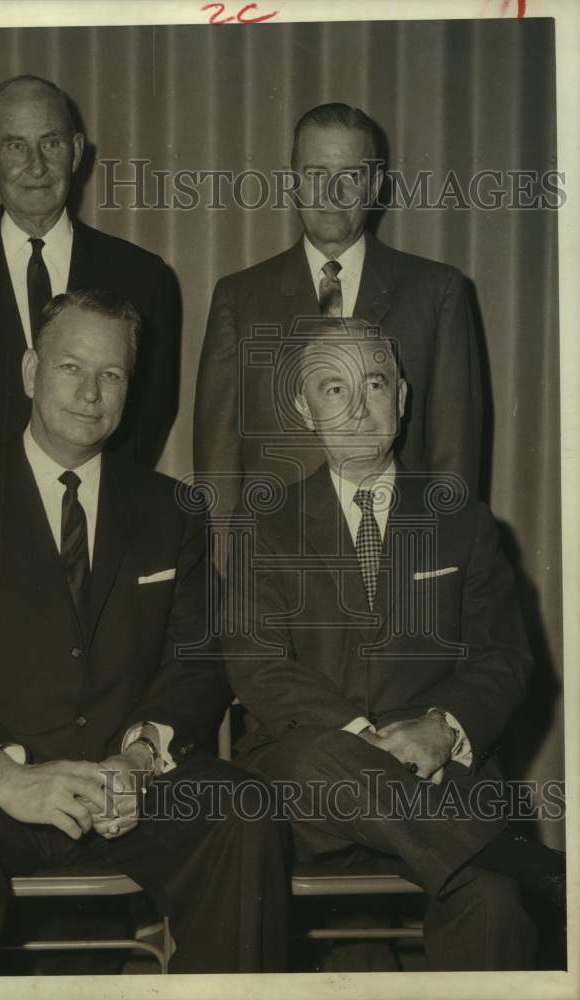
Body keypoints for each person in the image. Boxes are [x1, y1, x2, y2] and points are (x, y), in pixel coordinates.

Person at [0, 288, 288, 977]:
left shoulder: (170, 509)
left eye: (112, 374)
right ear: (32, 371)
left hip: (124, 786)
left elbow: (198, 659)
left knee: (242, 814)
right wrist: (2, 772)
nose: (91, 392)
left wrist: (143, 755)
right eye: (71, 368)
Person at [222, 319, 564, 971]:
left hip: (440, 779)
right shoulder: (264, 526)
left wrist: (440, 727)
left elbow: (503, 658)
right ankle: (531, 863)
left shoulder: (459, 520)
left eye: (373, 383)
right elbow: (258, 665)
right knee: (319, 757)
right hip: (306, 794)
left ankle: (504, 868)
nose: (356, 407)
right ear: (303, 409)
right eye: (332, 388)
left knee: (493, 902)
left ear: (401, 398)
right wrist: (361, 740)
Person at [194, 103, 483, 519]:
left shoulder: (437, 292)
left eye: (350, 176)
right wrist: (228, 571)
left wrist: (439, 568)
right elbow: (216, 468)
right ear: (293, 183)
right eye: (316, 176)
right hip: (275, 563)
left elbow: (454, 458)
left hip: (399, 552)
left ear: (375, 185)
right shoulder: (239, 297)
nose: (332, 195)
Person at [0, 74, 179, 475]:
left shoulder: (142, 276)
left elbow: (149, 418)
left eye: (51, 143)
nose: (36, 166)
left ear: (76, 152)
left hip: (90, 519)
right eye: (15, 146)